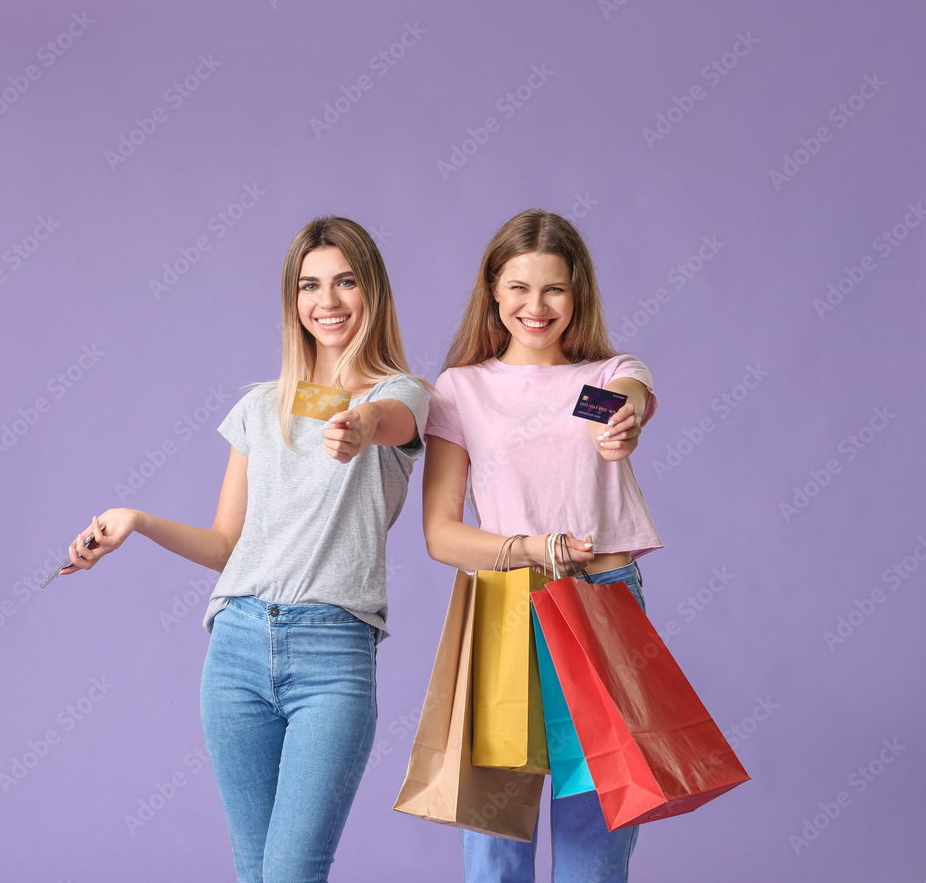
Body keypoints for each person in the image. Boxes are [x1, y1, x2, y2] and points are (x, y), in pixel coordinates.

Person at [62, 216, 430, 883]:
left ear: (372, 291)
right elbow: (228, 542)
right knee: (256, 873)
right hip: (234, 648)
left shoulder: (399, 396)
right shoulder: (261, 408)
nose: (328, 300)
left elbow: (387, 422)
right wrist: (136, 520)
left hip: (332, 651)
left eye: (346, 281)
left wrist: (359, 425)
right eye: (309, 285)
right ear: (292, 300)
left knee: (291, 874)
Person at [421, 208, 663, 883]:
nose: (536, 306)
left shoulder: (605, 375)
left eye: (554, 289)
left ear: (577, 293)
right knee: (498, 836)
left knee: (599, 826)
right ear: (493, 291)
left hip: (602, 603)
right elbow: (441, 533)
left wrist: (620, 420)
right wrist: (533, 547)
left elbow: (621, 402)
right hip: (503, 606)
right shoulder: (463, 390)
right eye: (519, 287)